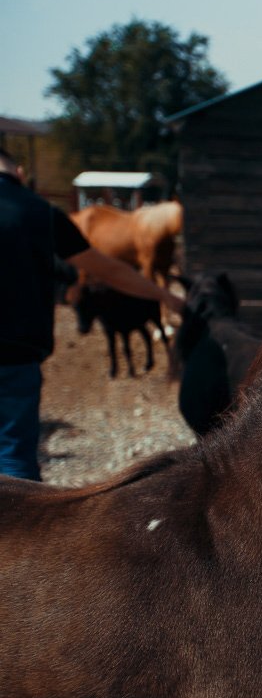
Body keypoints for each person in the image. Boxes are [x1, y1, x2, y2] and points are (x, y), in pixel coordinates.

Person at [0, 148, 184, 481]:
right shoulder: (40, 212)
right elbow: (110, 270)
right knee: (14, 463)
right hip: (15, 353)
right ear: (21, 173)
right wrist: (164, 296)